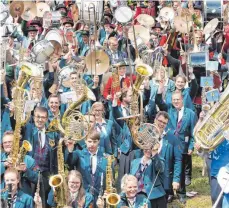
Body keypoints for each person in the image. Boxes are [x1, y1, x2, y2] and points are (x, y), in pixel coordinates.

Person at [155, 91, 197, 204]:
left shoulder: (190, 113)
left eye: (177, 99)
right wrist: (160, 90)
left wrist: (191, 146)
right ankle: (169, 192)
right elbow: (159, 101)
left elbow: (194, 132)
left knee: (181, 169)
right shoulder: (169, 110)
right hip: (169, 143)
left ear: (182, 99)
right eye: (173, 99)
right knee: (169, 168)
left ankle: (182, 193)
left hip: (183, 145)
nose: (175, 101)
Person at [65, 130, 108, 206]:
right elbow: (69, 162)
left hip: (99, 196)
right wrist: (70, 149)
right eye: (89, 141)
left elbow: (108, 179)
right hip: (83, 196)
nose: (92, 144)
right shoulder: (79, 154)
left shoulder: (105, 158)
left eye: (95, 142)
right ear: (85, 141)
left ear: (99, 142)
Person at [130, 126, 166, 207]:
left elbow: (160, 168)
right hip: (137, 197)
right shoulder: (135, 162)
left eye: (150, 147)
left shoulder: (158, 160)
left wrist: (155, 154)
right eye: (146, 147)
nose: (148, 150)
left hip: (155, 198)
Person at [1, 131, 38, 196]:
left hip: (23, 199)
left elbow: (38, 179)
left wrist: (26, 170)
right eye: (5, 142)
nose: (7, 144)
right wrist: (3, 165)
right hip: (3, 196)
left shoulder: (29, 160)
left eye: (10, 142)